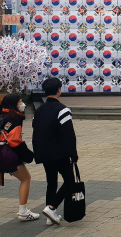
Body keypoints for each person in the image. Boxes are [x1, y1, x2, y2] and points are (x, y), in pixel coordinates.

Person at [0, 95, 39, 227]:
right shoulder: (14, 118)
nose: (22, 103)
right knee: (26, 179)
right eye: (20, 101)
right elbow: (14, 141)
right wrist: (28, 155)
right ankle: (23, 211)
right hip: (7, 155)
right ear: (14, 104)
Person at [33, 78, 78, 225]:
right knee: (69, 181)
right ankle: (52, 208)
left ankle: (50, 216)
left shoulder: (39, 110)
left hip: (44, 152)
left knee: (51, 182)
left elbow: (36, 130)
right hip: (60, 153)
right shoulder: (63, 110)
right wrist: (73, 155)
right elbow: (69, 135)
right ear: (59, 89)